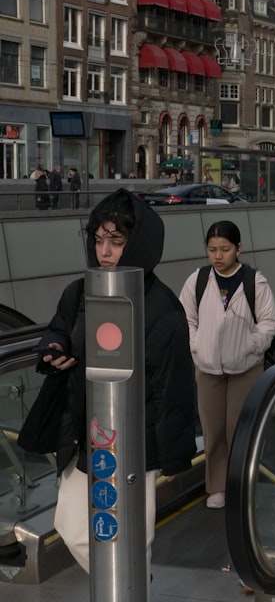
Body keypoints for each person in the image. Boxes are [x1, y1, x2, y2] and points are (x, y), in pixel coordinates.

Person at [21, 188, 197, 573]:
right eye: (99, 240)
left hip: (135, 440)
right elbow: (60, 329)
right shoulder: (82, 290)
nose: (104, 251)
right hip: (85, 432)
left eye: (116, 242)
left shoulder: (161, 308)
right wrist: (53, 348)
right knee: (70, 525)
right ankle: (128, 592)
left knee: (129, 535)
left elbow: (173, 386)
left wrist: (172, 454)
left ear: (138, 245)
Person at [180, 221, 275, 509]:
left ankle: (240, 485)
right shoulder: (198, 280)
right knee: (213, 429)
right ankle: (218, 487)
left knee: (239, 427)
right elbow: (185, 317)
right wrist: (196, 345)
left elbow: (269, 321)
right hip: (208, 367)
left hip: (246, 368)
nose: (218, 256)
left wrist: (252, 346)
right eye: (212, 250)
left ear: (239, 248)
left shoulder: (253, 280)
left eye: (224, 249)